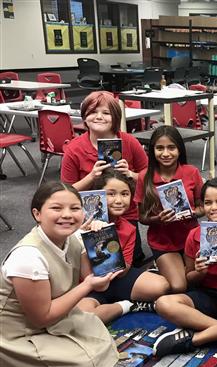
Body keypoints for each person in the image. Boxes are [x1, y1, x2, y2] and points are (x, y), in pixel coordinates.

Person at [0, 182, 119, 367]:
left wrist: (98, 241)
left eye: (75, 208)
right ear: (37, 214)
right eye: (56, 208)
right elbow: (41, 318)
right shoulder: (28, 257)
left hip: (54, 316)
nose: (67, 215)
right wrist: (87, 286)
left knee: (97, 333)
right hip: (15, 332)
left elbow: (101, 281)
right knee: (82, 364)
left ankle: (125, 307)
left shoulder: (73, 239)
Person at [152, 178, 217, 357]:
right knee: (163, 303)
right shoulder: (194, 236)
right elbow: (189, 278)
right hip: (205, 295)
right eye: (208, 203)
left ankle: (199, 333)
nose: (214, 207)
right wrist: (200, 272)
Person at [61, 91, 148, 267]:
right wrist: (90, 177)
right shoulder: (74, 148)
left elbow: (149, 174)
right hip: (90, 215)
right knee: (96, 262)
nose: (99, 117)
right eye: (93, 112)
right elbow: (65, 192)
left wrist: (131, 174)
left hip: (124, 212)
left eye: (106, 113)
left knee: (131, 259)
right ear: (84, 117)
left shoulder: (129, 142)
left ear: (115, 118)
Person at [76, 169, 170, 323]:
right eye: (111, 194)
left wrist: (107, 237)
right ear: (97, 196)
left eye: (125, 194)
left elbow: (123, 270)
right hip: (86, 284)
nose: (119, 200)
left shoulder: (128, 228)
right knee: (84, 318)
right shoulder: (79, 224)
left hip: (116, 278)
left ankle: (124, 299)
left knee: (162, 287)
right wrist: (86, 238)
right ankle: (126, 305)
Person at [135, 126, 204, 293]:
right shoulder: (144, 177)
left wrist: (193, 213)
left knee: (204, 282)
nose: (165, 153)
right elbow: (141, 217)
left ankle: (170, 268)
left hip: (192, 239)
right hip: (163, 242)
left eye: (171, 147)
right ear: (152, 151)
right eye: (160, 148)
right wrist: (158, 219)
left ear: (179, 149)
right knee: (179, 286)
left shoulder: (192, 172)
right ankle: (157, 268)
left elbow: (203, 206)